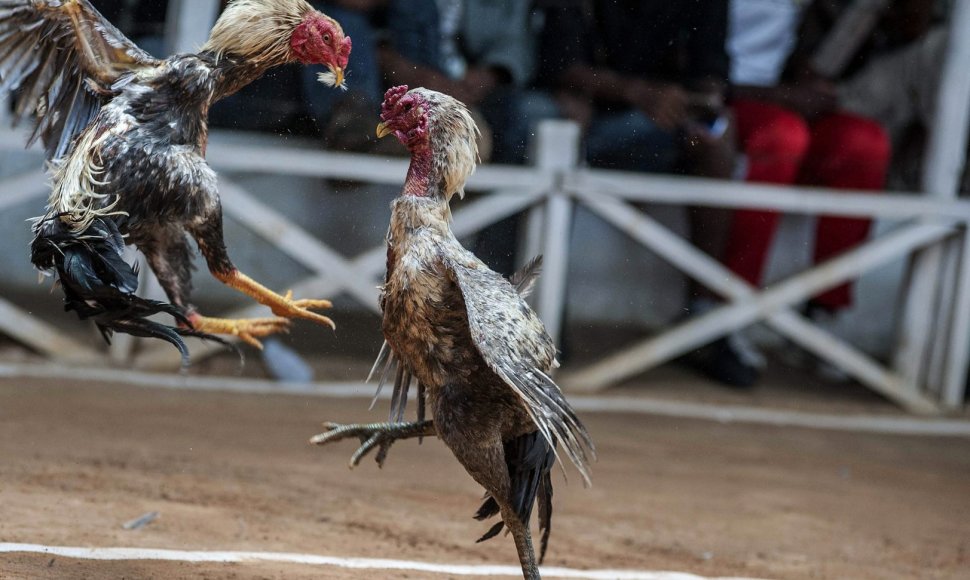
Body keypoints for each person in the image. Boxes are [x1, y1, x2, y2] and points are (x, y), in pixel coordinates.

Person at [694, 0, 893, 387]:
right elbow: (693, 72)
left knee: (864, 143)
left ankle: (824, 311)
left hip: (789, 104)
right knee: (782, 136)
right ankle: (731, 312)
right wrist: (783, 95)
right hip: (727, 103)